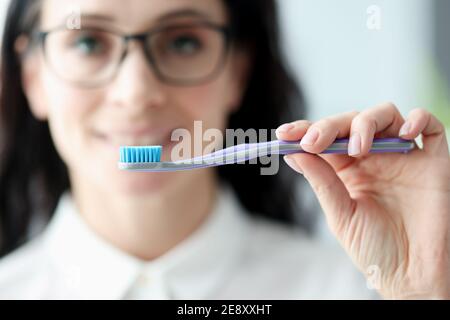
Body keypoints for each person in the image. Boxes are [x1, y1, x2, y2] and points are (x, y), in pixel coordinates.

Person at [0, 0, 448, 299]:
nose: (135, 92)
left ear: (238, 71)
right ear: (33, 77)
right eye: (88, 42)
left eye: (182, 41)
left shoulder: (353, 288)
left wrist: (425, 287)